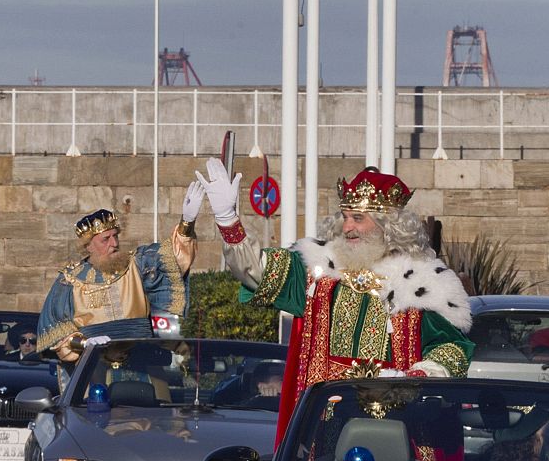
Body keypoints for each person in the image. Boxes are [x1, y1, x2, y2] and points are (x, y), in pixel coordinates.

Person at [196, 158, 474, 443]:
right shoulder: (317, 271)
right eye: (345, 216)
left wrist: (418, 377)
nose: (347, 227)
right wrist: (228, 219)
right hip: (322, 428)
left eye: (358, 218)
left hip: (397, 429)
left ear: (388, 225)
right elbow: (257, 270)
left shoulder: (421, 282)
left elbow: (451, 348)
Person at [37, 182, 204, 375]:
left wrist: (187, 223)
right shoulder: (69, 282)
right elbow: (58, 337)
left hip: (143, 365)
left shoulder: (138, 264)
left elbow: (175, 260)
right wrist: (84, 342)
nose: (114, 243)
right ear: (88, 246)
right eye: (105, 239)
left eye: (115, 236)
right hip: (94, 369)